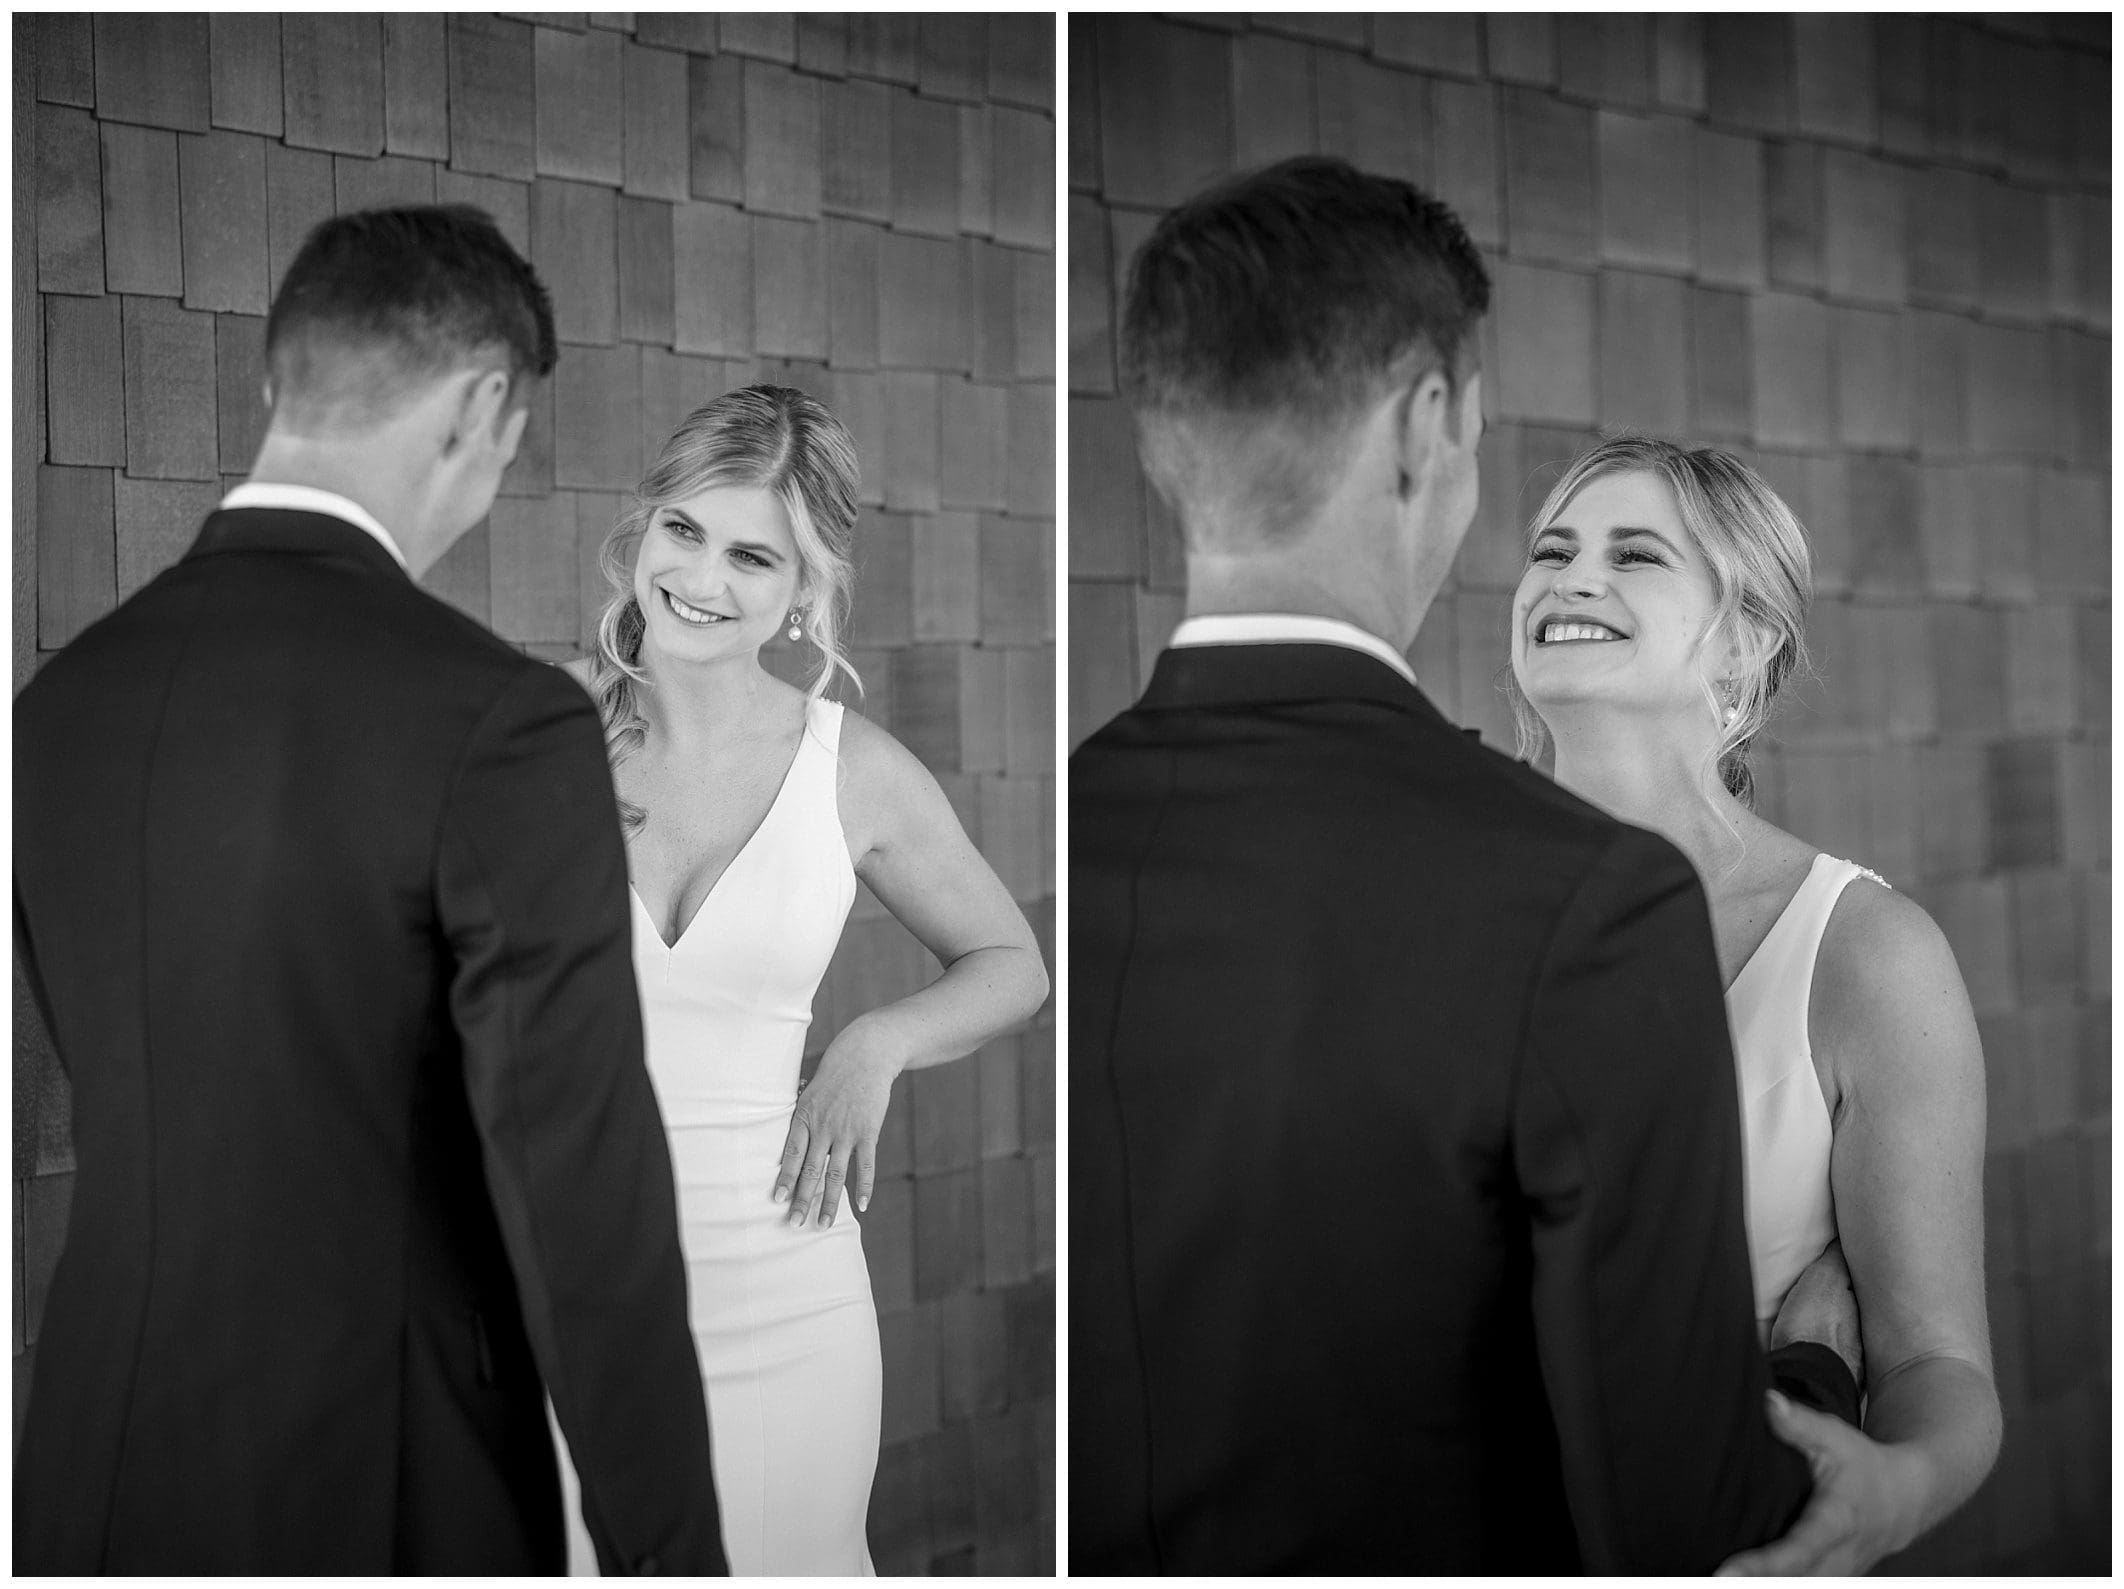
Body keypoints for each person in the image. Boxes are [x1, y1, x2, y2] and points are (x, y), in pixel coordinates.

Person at [1071, 155, 1822, 1573]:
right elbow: (1679, 1517)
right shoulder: (1586, 901)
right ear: (1429, 426)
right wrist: (1819, 1373)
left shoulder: (1059, 833)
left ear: (1171, 440)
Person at [13, 207, 725, 1574]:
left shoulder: (57, 709)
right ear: (481, 409)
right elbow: (582, 1196)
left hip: (87, 1476)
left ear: (282, 382)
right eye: (510, 448)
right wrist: (671, 1555)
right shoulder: (496, 720)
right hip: (380, 1479)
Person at [552, 384, 1050, 1574]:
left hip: (785, 1290)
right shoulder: (537, 735)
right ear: (645, 525)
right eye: (683, 530)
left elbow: (1014, 965)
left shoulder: (854, 770)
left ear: (804, 588)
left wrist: (873, 1043)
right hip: (566, 1288)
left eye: (751, 556)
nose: (702, 580)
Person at [1504, 438, 2002, 1573]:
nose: (1572, 578)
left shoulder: (1867, 954)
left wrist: (1894, 1488)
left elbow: (1942, 1367)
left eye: (1635, 553)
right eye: (1551, 549)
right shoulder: (1428, 900)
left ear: (1747, 639)